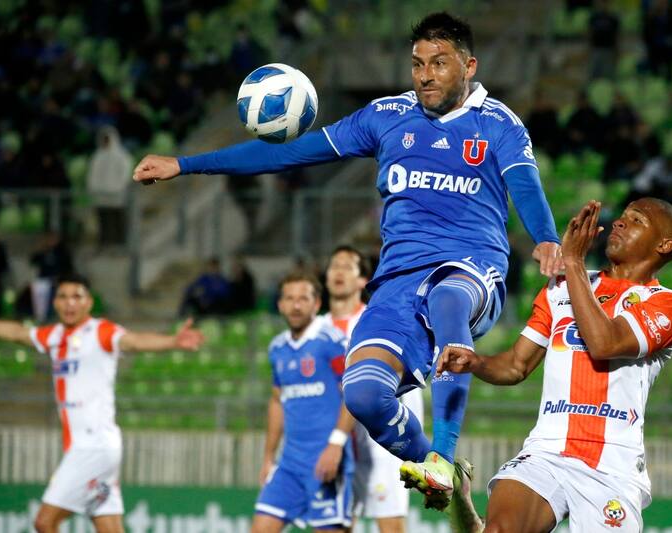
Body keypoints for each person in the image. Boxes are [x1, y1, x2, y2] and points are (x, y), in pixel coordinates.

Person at [133, 11, 562, 509]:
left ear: (469, 66)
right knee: (362, 395)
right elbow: (288, 155)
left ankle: (444, 453)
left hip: (473, 270)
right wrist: (184, 165)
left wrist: (546, 238)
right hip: (396, 284)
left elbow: (525, 186)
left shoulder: (498, 123)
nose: (425, 74)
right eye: (417, 63)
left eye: (439, 63)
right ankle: (437, 471)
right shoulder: (385, 117)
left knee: (448, 295)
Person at [440, 198, 672, 532]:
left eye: (636, 220)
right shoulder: (559, 287)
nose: (619, 222)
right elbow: (517, 365)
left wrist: (572, 261)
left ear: (664, 244)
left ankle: (473, 522)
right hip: (548, 450)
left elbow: (606, 343)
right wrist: (477, 362)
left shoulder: (668, 305)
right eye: (622, 216)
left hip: (611, 466)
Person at [0, 273, 204, 533]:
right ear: (54, 303)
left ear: (88, 302)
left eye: (77, 296)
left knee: (44, 521)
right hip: (95, 447)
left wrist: (171, 342)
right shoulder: (54, 336)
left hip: (93, 446)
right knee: (108, 526)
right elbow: (17, 333)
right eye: (63, 297)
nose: (69, 303)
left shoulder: (100, 332)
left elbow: (134, 341)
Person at [324, 245, 424, 532]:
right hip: (344, 446)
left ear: (361, 280)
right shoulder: (318, 330)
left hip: (383, 440)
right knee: (336, 525)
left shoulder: (379, 322)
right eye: (334, 265)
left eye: (347, 265)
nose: (339, 271)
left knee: (390, 525)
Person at [256, 272, 354, 532]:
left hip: (325, 462)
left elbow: (353, 394)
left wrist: (336, 445)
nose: (296, 305)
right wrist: (268, 457)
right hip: (289, 464)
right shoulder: (277, 348)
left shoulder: (332, 342)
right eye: (289, 298)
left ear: (316, 303)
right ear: (280, 304)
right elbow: (277, 401)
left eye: (303, 298)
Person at [87, 126, 133, 246]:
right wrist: (94, 189)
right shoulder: (97, 156)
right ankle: (105, 244)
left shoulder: (122, 156)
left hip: (116, 195)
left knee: (118, 221)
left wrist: (117, 188)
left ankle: (120, 244)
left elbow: (125, 174)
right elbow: (92, 175)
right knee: (104, 222)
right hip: (101, 196)